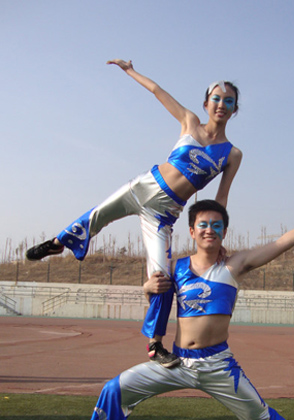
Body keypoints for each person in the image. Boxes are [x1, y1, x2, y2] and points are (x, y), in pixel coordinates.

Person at [52, 196, 294, 420]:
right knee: (114, 390)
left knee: (259, 415)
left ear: (224, 232)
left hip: (218, 365)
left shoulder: (234, 266)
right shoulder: (175, 268)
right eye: (203, 225)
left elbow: (281, 243)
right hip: (176, 362)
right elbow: (157, 302)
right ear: (192, 231)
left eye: (216, 225)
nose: (209, 230)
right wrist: (146, 288)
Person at [26, 59, 242, 367]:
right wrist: (130, 71)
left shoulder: (232, 154)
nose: (221, 105)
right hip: (143, 186)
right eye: (216, 99)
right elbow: (157, 90)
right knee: (98, 214)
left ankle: (155, 344)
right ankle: (58, 243)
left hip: (163, 213)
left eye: (228, 101)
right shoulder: (190, 122)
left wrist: (218, 239)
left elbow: (221, 198)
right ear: (206, 103)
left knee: (161, 278)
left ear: (234, 109)